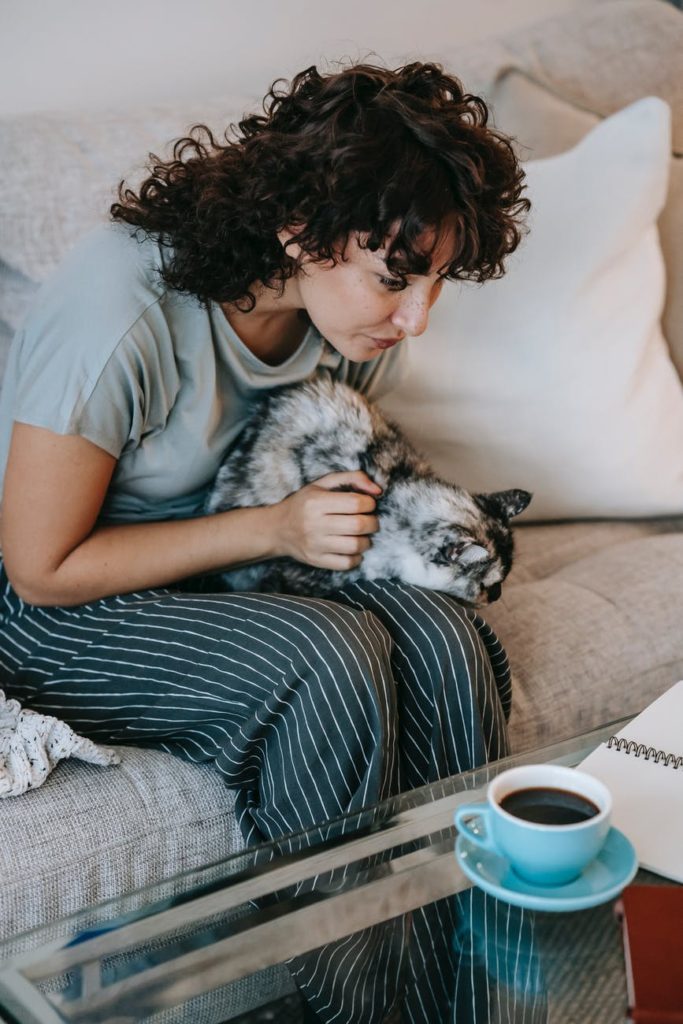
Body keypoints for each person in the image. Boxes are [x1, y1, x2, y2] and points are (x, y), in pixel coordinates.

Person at [0, 62, 540, 1022]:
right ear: (301, 230)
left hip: (231, 574)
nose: (416, 315)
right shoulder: (120, 311)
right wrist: (275, 528)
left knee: (445, 639)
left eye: (437, 281)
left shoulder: (350, 325)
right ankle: (362, 1010)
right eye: (397, 278)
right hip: (62, 603)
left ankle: (484, 997)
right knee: (328, 659)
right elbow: (39, 569)